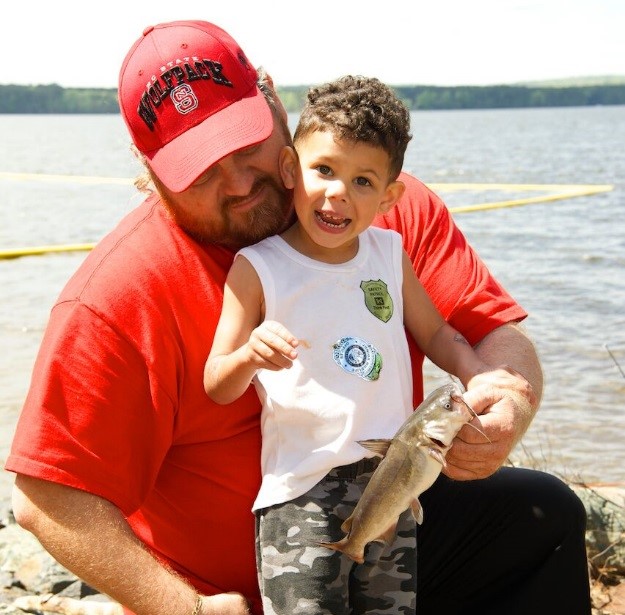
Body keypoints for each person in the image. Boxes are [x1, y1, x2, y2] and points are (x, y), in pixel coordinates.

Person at [5, 19, 590, 615]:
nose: (238, 183)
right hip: (245, 586)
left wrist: (508, 395)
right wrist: (184, 609)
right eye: (200, 170)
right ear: (148, 167)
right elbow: (46, 495)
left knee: (545, 517)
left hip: (390, 516)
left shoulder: (380, 206)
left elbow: (488, 331)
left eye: (245, 145)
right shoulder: (116, 296)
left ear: (270, 96)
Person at [204, 75, 491, 614]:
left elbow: (435, 333)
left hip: (393, 479)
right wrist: (248, 356)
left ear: (389, 197)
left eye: (363, 181)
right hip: (299, 493)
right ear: (290, 168)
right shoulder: (257, 269)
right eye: (324, 170)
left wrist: (479, 374)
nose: (338, 192)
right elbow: (216, 383)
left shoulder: (388, 253)